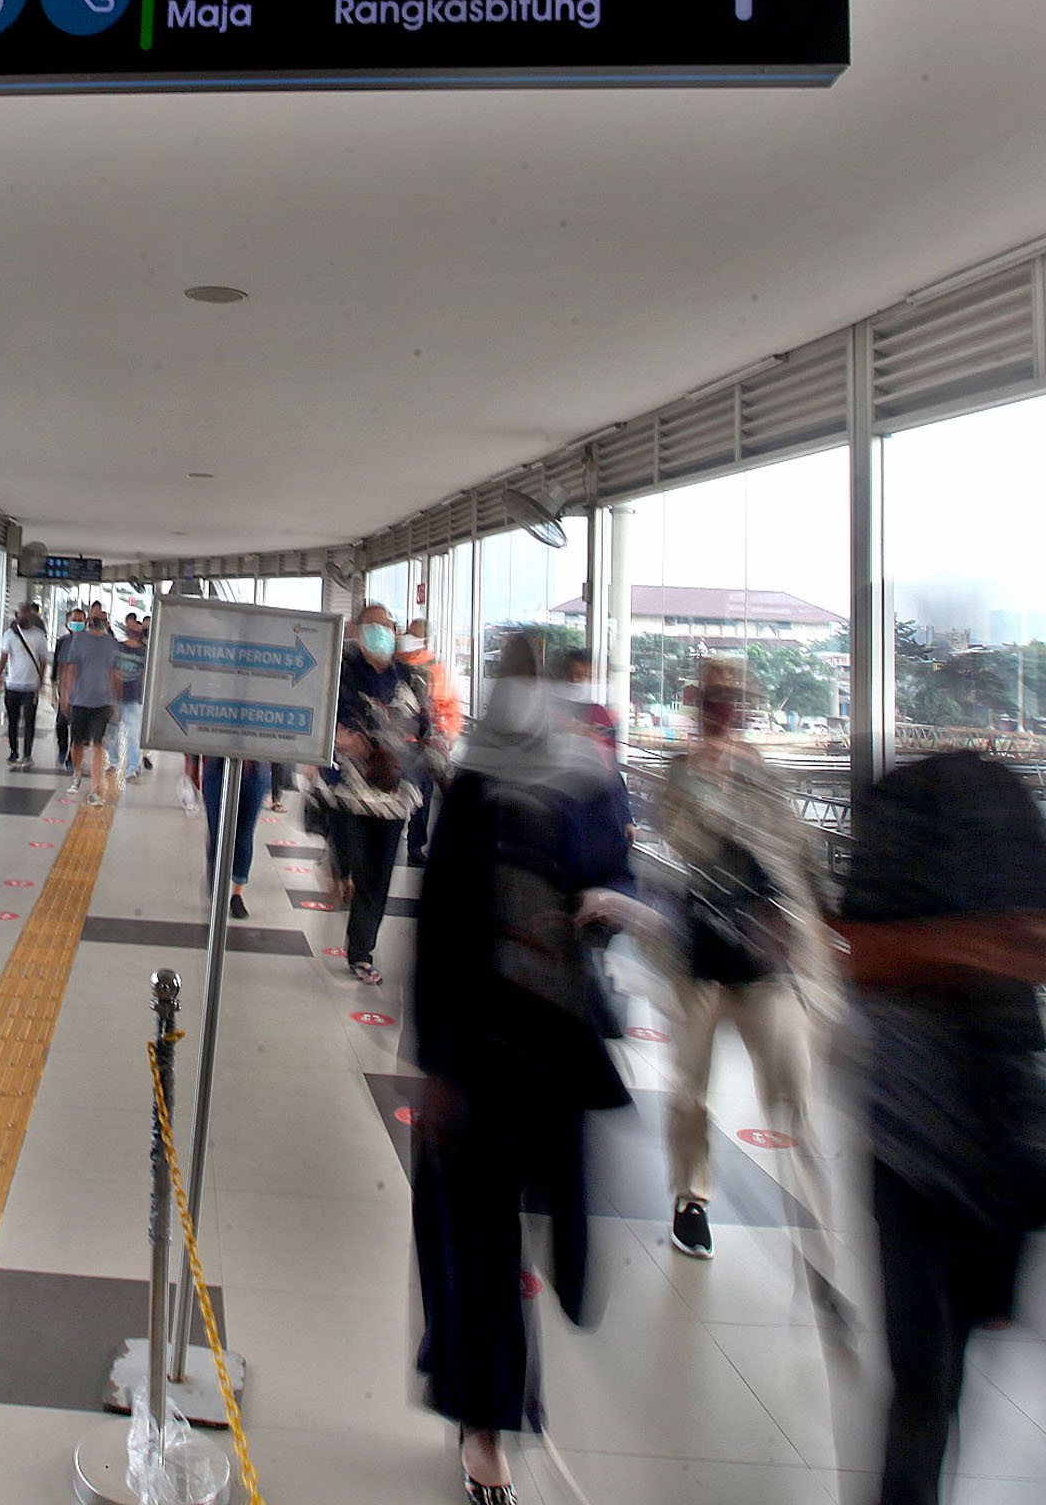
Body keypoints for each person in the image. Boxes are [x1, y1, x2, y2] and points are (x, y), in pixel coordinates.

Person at [410, 634, 649, 1504]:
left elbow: (624, 872)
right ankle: (487, 1423)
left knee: (551, 1237)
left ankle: (474, 1373)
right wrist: (434, 1064)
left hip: (556, 1046)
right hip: (478, 1052)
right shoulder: (473, 788)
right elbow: (438, 931)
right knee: (478, 1240)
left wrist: (608, 904)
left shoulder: (592, 783)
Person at [841, 752, 1046, 1505]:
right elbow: (856, 948)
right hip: (946, 1140)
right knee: (931, 1376)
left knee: (929, 1376)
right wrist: (974, 949)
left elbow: (852, 947)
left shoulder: (918, 815)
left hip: (938, 1138)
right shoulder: (964, 813)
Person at [651, 659, 841, 1287]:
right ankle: (692, 1198)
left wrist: (822, 919)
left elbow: (796, 852)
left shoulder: (765, 774)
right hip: (703, 958)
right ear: (697, 705)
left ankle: (815, 1227)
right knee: (691, 1088)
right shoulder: (682, 770)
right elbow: (683, 838)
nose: (725, 709)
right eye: (714, 699)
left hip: (766, 959)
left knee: (794, 1089)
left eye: (734, 699)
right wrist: (709, 775)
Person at [323, 602, 445, 986]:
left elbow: (429, 728)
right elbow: (323, 721)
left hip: (394, 795)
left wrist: (439, 764)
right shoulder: (341, 673)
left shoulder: (411, 678)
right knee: (359, 866)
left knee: (378, 879)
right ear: (359, 632)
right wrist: (344, 740)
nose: (381, 632)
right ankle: (342, 873)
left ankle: (361, 952)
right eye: (373, 626)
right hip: (350, 793)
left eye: (387, 626)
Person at [400, 617, 467, 865]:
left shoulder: (436, 668)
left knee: (423, 794)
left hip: (424, 743)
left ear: (425, 639)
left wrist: (448, 735)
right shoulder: (396, 662)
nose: (408, 638)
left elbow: (450, 706)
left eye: (414, 634)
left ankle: (416, 845)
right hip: (398, 742)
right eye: (408, 633)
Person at [55, 603, 124, 808]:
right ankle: (77, 774)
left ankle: (94, 788)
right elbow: (70, 669)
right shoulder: (79, 641)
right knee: (77, 742)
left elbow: (114, 673)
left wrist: (114, 699)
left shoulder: (111, 644)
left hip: (101, 701)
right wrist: (66, 695)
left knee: (97, 744)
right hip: (80, 700)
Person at [197, 756, 269, 919]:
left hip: (255, 770)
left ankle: (237, 894)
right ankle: (216, 883)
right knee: (217, 831)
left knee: (245, 833)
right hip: (218, 766)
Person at [0, 600, 49, 770]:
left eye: (26, 613)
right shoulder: (9, 635)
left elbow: (43, 660)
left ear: (31, 616)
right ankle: (13, 751)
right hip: (12, 685)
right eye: (20, 613)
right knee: (12, 721)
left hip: (30, 686)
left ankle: (27, 754)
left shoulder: (38, 635)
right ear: (17, 615)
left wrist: (40, 680)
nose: (23, 616)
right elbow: (4, 657)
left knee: (29, 721)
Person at [112, 616, 149, 780]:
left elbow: (144, 676)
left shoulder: (144, 652)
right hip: (117, 695)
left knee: (131, 733)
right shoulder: (118, 648)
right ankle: (115, 762)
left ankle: (132, 766)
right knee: (113, 731)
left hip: (132, 696)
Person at [52, 606, 84, 772]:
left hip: (82, 692)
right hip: (65, 689)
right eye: (74, 620)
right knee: (61, 723)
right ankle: (62, 748)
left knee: (77, 728)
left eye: (80, 621)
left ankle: (71, 758)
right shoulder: (63, 642)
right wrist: (54, 690)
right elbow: (57, 667)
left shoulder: (88, 642)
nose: (77, 623)